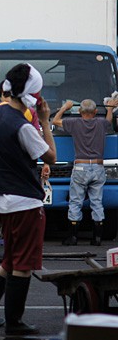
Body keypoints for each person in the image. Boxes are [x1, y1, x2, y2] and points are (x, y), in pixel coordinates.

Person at [0, 63, 56, 336]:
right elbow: (50, 156)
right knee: (22, 265)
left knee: (8, 261)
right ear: (34, 96)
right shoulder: (23, 127)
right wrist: (44, 120)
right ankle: (15, 323)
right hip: (25, 201)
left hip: (0, 199)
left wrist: (5, 158)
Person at [0, 83, 51, 257]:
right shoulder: (29, 114)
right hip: (22, 169)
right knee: (22, 209)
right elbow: (41, 146)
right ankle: (16, 251)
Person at [52, 98, 118, 246]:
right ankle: (97, 238)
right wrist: (109, 109)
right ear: (95, 112)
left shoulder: (74, 123)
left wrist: (64, 108)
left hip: (80, 167)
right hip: (98, 167)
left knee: (75, 202)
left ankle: (73, 237)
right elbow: (109, 121)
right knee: (97, 202)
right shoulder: (101, 123)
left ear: (80, 112)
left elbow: (55, 121)